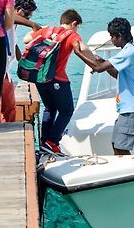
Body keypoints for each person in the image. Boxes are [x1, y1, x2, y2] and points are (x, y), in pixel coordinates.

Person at [23, 9, 95, 154]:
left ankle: (45, 143)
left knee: (50, 108)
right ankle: (52, 142)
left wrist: (41, 30)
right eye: (77, 26)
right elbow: (83, 48)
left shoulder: (47, 30)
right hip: (58, 79)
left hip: (40, 77)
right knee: (67, 111)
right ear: (74, 23)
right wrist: (95, 60)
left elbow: (26, 39)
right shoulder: (71, 34)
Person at [75, 17, 134, 155]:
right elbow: (117, 74)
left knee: (121, 147)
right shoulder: (128, 51)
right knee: (116, 144)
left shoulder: (129, 52)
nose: (111, 40)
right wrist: (103, 62)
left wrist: (78, 53)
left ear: (119, 36)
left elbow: (98, 68)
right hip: (127, 107)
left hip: (131, 107)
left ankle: (129, 172)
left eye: (112, 36)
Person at [0, 0, 40, 122]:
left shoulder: (13, 25)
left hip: (5, 70)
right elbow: (10, 17)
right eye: (26, 15)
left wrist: (23, 62)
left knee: (10, 106)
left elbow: (13, 44)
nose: (28, 17)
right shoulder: (5, 16)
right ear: (17, 9)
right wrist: (32, 24)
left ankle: (9, 127)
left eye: (30, 16)